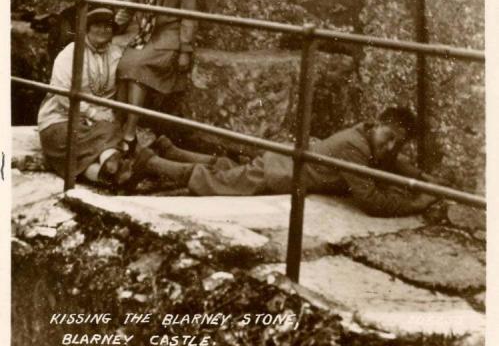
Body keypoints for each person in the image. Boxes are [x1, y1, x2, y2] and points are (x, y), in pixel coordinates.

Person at [130, 106, 438, 216]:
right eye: (390, 136)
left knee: (229, 171)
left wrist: (421, 176)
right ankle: (151, 162)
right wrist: (416, 203)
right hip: (278, 174)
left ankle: (171, 150)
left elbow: (392, 161)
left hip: (282, 163)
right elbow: (371, 200)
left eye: (399, 142)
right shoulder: (354, 147)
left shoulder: (365, 133)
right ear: (377, 123)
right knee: (215, 183)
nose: (391, 146)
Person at [114, 0, 196, 154]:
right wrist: (112, 28)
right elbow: (129, 6)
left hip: (169, 34)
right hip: (145, 33)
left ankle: (129, 133)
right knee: (121, 65)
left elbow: (189, 13)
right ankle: (118, 129)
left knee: (137, 67)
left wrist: (185, 49)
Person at [37, 8, 133, 186]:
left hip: (96, 125)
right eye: (97, 25)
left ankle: (109, 173)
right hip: (61, 119)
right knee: (107, 133)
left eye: (107, 27)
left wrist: (107, 115)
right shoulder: (70, 54)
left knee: (111, 130)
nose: (103, 30)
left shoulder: (116, 54)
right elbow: (62, 94)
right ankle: (113, 163)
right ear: (86, 28)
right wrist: (94, 114)